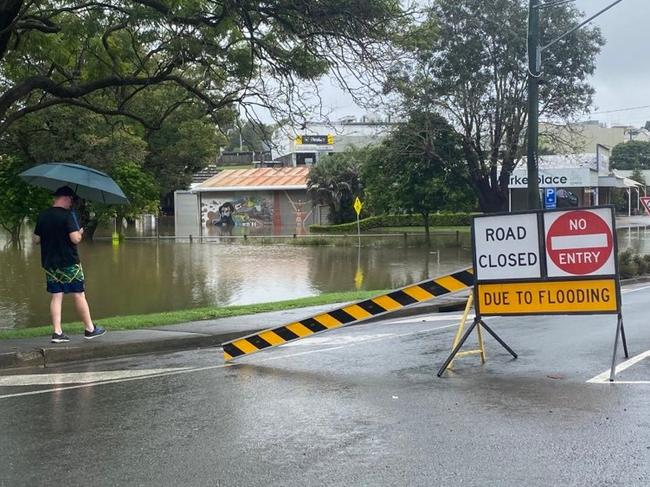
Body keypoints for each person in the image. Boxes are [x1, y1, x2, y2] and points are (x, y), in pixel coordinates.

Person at [33, 186, 106, 343]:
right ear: (66, 198)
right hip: (69, 262)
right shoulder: (68, 215)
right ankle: (90, 329)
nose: (71, 203)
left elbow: (36, 240)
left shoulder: (43, 215)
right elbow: (75, 239)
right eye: (71, 200)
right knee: (79, 294)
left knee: (56, 296)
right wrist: (79, 232)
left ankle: (57, 333)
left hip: (50, 263)